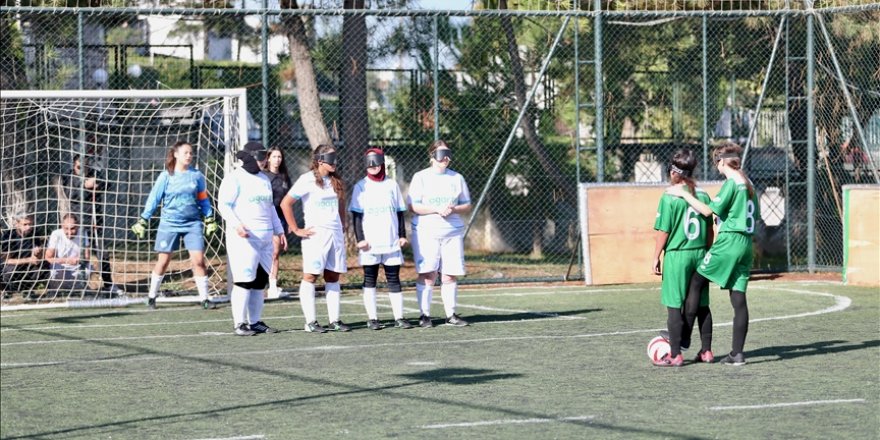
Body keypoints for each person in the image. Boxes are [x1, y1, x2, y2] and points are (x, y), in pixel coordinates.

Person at [666, 142, 759, 366]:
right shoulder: (749, 183)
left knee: (696, 281)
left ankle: (683, 338)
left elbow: (707, 211)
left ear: (722, 161)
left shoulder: (731, 183)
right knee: (738, 299)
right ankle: (737, 354)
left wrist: (682, 193)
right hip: (747, 244)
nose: (716, 165)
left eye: (716, 160)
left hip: (730, 242)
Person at [130, 141, 219, 310]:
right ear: (176, 154)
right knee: (163, 262)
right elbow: (154, 199)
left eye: (191, 153)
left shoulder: (197, 176)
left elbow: (203, 199)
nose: (189, 156)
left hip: (192, 224)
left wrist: (209, 218)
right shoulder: (166, 176)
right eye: (185, 152)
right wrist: (143, 219)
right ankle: (151, 297)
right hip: (169, 224)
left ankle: (205, 299)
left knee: (199, 261)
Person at [650, 148, 714, 367]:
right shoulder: (703, 195)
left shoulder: (669, 196)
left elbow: (664, 231)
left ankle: (675, 354)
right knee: (702, 305)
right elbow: (710, 230)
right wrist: (707, 252)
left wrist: (656, 256)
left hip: (678, 255)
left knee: (674, 305)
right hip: (700, 254)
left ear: (673, 171)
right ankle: (706, 351)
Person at [217, 141, 287, 336]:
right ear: (249, 158)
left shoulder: (264, 180)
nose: (264, 161)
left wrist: (279, 231)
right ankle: (240, 324)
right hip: (244, 239)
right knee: (243, 281)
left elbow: (271, 208)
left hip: (265, 239)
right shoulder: (234, 178)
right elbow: (224, 205)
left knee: (260, 281)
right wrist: (237, 225)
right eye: (261, 157)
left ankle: (254, 321)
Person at [280, 144, 349, 333]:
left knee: (333, 276)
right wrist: (295, 229)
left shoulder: (336, 181)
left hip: (334, 234)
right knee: (310, 276)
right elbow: (286, 203)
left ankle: (334, 320)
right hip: (316, 236)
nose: (335, 163)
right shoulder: (307, 179)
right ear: (320, 161)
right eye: (331, 159)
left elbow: (341, 201)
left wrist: (343, 222)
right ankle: (310, 322)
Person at [408, 140, 471, 328]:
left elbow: (467, 205)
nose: (445, 158)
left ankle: (450, 314)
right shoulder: (420, 177)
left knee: (450, 275)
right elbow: (413, 206)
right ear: (432, 156)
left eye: (448, 153)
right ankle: (424, 315)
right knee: (428, 273)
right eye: (441, 154)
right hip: (427, 231)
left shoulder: (457, 178)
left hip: (452, 233)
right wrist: (436, 209)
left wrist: (454, 209)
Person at [349, 148, 413, 330]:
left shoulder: (391, 185)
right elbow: (357, 215)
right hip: (370, 243)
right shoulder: (360, 186)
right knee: (370, 278)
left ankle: (399, 317)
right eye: (369, 163)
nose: (373, 166)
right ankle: (373, 318)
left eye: (376, 162)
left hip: (391, 241)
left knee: (393, 278)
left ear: (382, 163)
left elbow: (400, 212)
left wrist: (402, 235)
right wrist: (360, 239)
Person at [59, 155, 121, 294]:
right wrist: (85, 186)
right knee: (80, 254)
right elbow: (72, 194)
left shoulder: (95, 174)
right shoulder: (68, 176)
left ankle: (108, 284)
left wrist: (98, 184)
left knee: (102, 253)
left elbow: (108, 184)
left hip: (95, 221)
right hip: (78, 223)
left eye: (86, 167)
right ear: (74, 166)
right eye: (79, 167)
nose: (82, 170)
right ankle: (80, 284)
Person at [262, 146, 292, 299]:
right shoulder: (263, 176)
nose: (277, 159)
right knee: (269, 252)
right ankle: (261, 284)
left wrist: (288, 222)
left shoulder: (285, 177)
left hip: (280, 218)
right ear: (268, 158)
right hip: (265, 217)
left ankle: (273, 286)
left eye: (279, 157)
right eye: (274, 156)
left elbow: (288, 201)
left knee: (275, 252)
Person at [1, 214, 49, 296]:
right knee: (9, 269)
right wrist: (29, 259)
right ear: (17, 224)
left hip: (29, 266)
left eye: (30, 224)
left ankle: (29, 290)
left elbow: (38, 257)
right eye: (25, 224)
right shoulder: (8, 236)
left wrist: (37, 254)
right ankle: (8, 291)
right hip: (13, 266)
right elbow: (6, 260)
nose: (28, 227)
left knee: (44, 266)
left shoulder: (34, 233)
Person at [45, 214, 90, 292]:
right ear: (62, 226)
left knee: (88, 269)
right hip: (60, 266)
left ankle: (79, 286)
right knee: (60, 286)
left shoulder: (83, 233)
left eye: (72, 228)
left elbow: (87, 256)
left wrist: (78, 260)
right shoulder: (56, 234)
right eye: (66, 229)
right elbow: (48, 258)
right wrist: (66, 260)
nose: (69, 232)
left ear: (78, 226)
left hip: (77, 266)